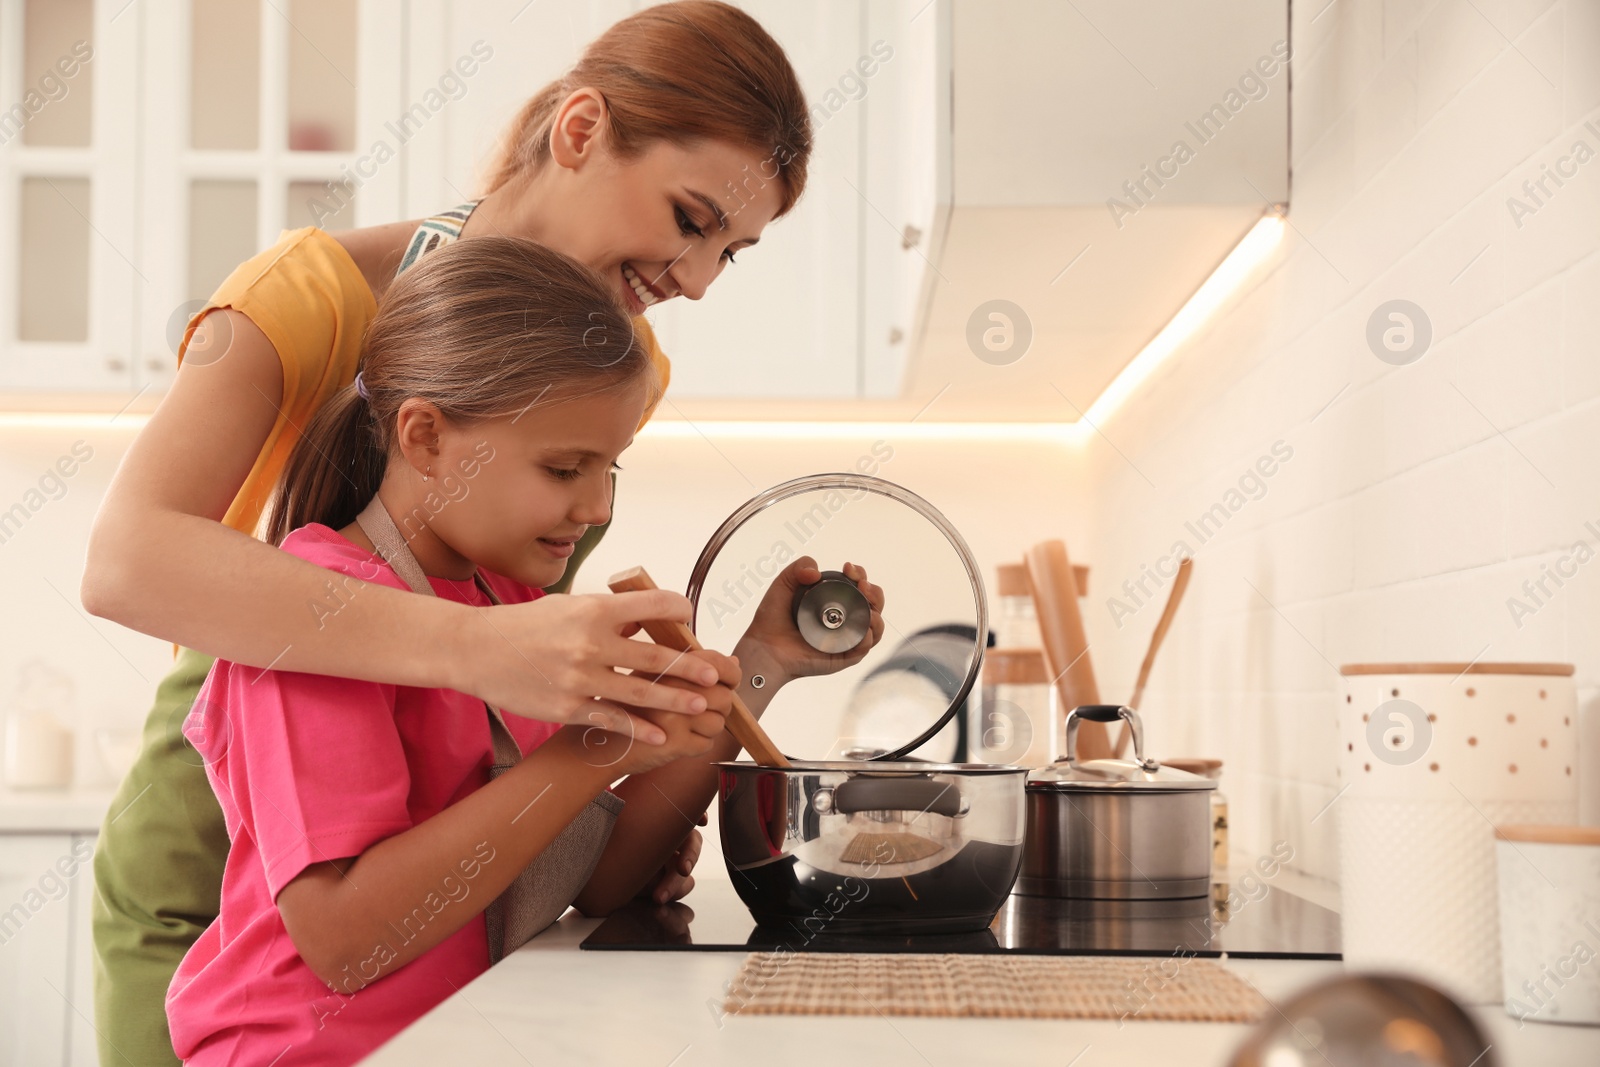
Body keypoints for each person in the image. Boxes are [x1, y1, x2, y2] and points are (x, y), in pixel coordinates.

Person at [82, 4, 820, 1063]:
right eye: (692, 217)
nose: (697, 277)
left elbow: (495, 703)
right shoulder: (308, 297)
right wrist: (498, 665)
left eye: (732, 254)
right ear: (579, 131)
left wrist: (589, 810)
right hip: (209, 882)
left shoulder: (630, 365)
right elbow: (127, 562)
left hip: (437, 904)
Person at [166, 236, 878, 1066]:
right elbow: (342, 937)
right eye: (564, 466)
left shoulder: (512, 607)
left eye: (610, 467)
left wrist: (760, 662)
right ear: (425, 437)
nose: (595, 504)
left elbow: (597, 876)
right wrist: (598, 744)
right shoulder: (326, 611)